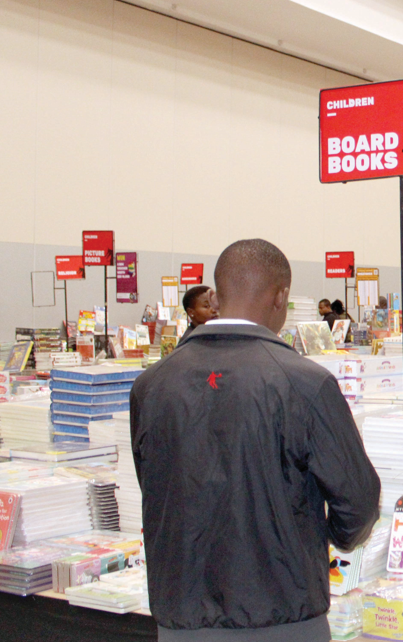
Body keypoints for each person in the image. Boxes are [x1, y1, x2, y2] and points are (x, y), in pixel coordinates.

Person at [130, 239, 381, 642]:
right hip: (282, 610)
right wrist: (327, 535)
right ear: (281, 296)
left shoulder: (152, 385)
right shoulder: (306, 384)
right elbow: (358, 498)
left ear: (214, 296)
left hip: (182, 613)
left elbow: (154, 483)